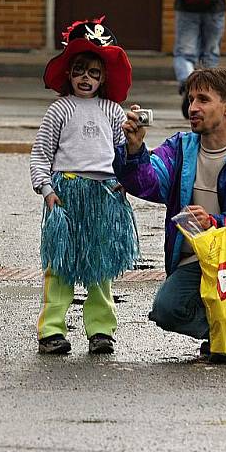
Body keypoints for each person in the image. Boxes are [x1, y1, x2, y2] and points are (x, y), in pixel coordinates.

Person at [113, 67, 226, 362]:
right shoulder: (180, 147)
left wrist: (216, 222)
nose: (193, 108)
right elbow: (148, 183)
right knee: (167, 310)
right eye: (191, 99)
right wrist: (134, 151)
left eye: (203, 100)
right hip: (195, 260)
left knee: (212, 309)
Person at [31, 18, 139, 355]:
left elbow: (124, 153)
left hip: (104, 196)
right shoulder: (59, 109)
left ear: (104, 77)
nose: (86, 78)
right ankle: (51, 330)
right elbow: (40, 156)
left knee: (101, 266)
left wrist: (124, 182)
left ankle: (101, 330)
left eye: (94, 72)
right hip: (65, 195)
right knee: (60, 265)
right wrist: (47, 190)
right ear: (68, 73)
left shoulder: (112, 111)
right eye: (79, 70)